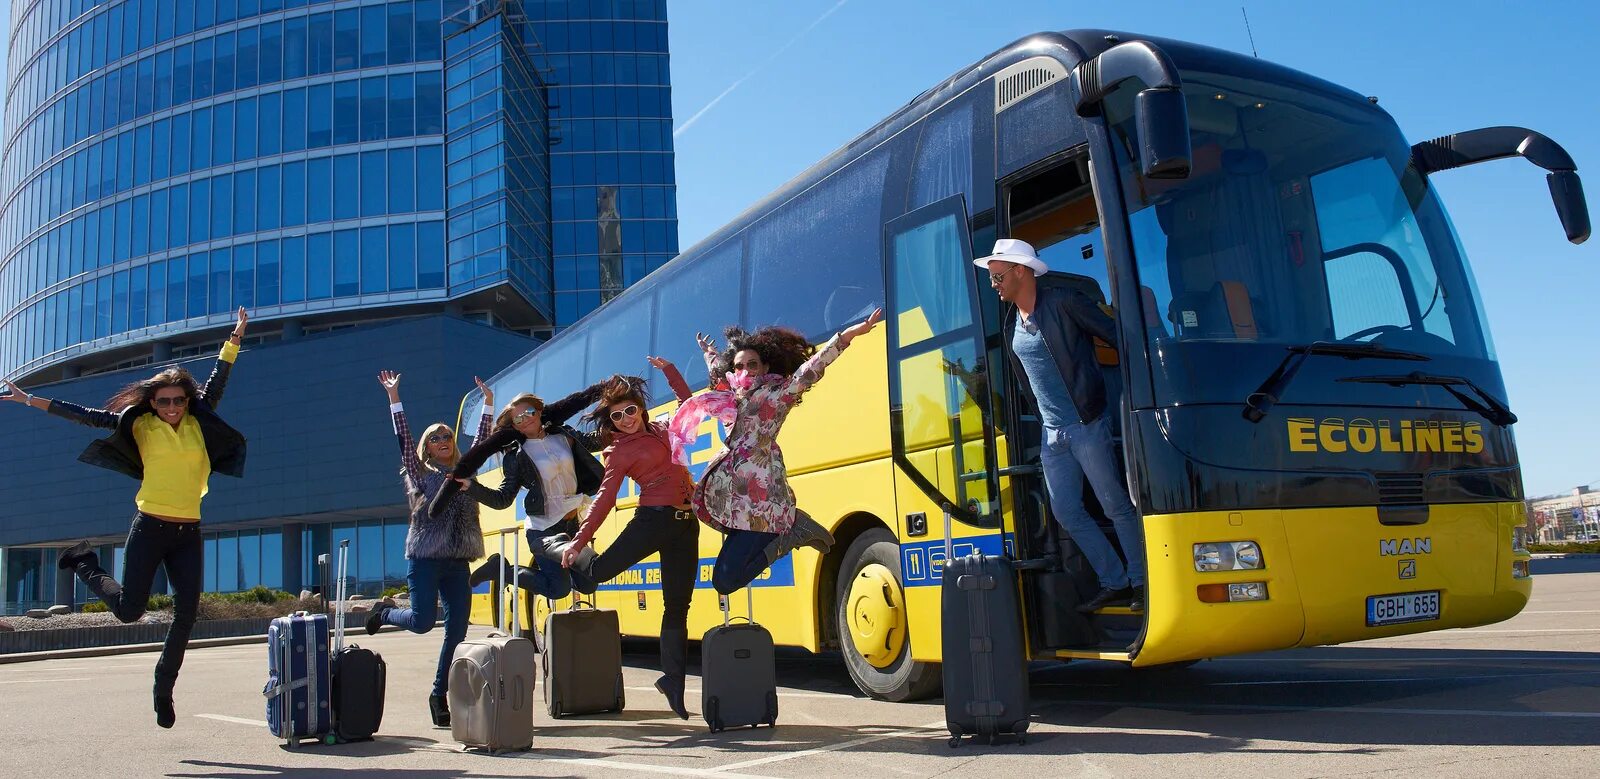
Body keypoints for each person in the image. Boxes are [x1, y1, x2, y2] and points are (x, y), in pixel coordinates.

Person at [1, 308, 251, 728]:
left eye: (179, 400)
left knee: (186, 614)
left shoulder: (197, 419)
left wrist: (236, 337)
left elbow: (218, 378)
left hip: (188, 532)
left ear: (187, 401)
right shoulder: (139, 426)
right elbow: (87, 416)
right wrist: (30, 400)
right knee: (129, 612)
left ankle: (163, 689)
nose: (172, 407)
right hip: (150, 527)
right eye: (164, 401)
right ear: (152, 402)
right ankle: (83, 563)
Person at [975, 238, 1147, 612]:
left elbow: (1117, 334)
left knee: (1115, 504)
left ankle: (1140, 582)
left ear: (1021, 270)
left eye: (998, 276)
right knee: (1066, 511)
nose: (995, 285)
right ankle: (1114, 580)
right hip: (1053, 435)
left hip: (1086, 424)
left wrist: (1142, 383)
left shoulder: (1064, 302)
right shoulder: (1010, 326)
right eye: (992, 278)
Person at [667, 310, 882, 595]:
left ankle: (789, 535)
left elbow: (809, 372)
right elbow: (721, 376)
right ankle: (789, 532)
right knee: (724, 580)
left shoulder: (775, 395)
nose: (745, 371)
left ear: (765, 367)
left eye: (752, 365)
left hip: (758, 500)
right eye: (739, 365)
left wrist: (844, 338)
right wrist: (710, 355)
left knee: (725, 580)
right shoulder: (732, 398)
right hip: (732, 500)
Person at [555, 373, 699, 719]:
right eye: (616, 416)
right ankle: (562, 548)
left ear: (641, 408)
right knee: (600, 571)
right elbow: (604, 499)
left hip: (685, 524)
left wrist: (670, 371)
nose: (625, 419)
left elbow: (688, 405)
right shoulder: (618, 452)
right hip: (652, 521)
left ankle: (674, 683)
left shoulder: (665, 427)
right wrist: (579, 541)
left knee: (678, 605)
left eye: (629, 410)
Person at [364, 371, 499, 728]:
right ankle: (384, 613)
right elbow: (404, 439)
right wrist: (395, 397)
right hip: (425, 558)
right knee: (423, 622)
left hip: (457, 561)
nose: (443, 439)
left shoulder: (464, 471)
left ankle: (439, 694)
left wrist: (488, 404)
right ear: (427, 447)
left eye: (448, 435)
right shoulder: (420, 473)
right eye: (436, 437)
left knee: (457, 629)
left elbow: (484, 442)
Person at [444, 380, 614, 616]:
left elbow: (595, 440)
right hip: (543, 530)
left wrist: (620, 425)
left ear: (539, 411)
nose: (526, 419)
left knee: (588, 583)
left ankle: (508, 570)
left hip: (571, 524)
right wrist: (470, 487)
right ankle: (503, 571)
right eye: (519, 418)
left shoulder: (564, 435)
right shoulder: (516, 456)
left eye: (529, 412)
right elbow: (502, 499)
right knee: (559, 589)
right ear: (513, 425)